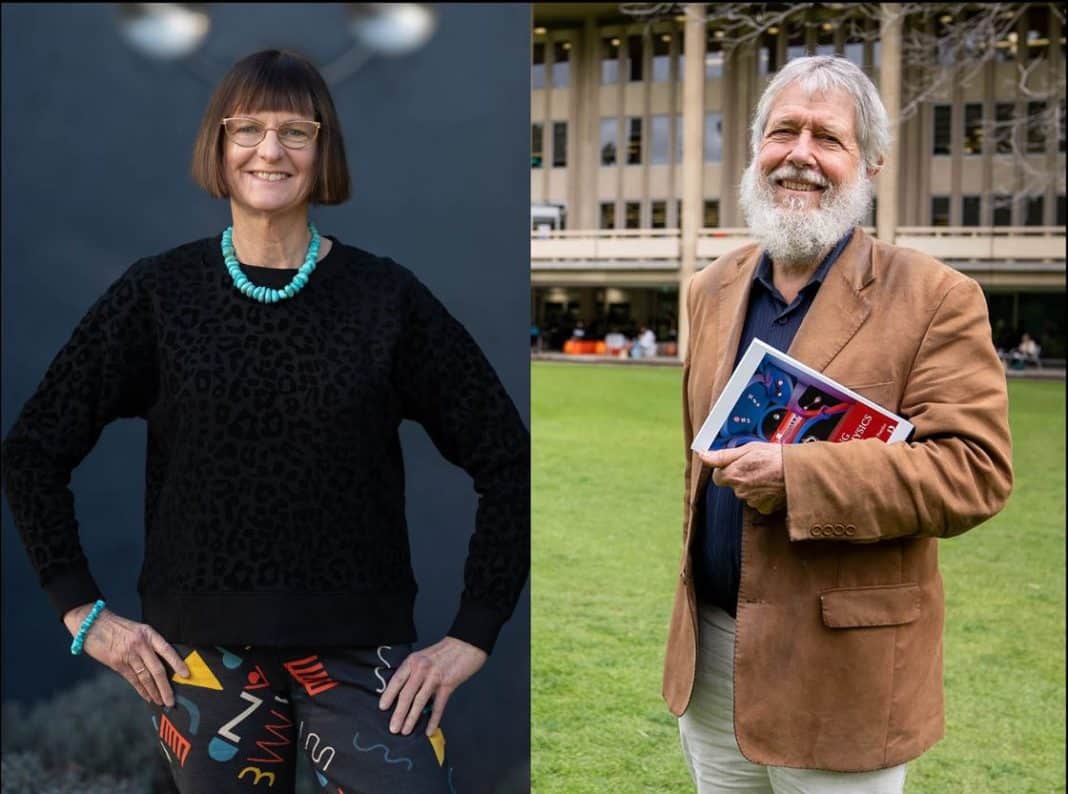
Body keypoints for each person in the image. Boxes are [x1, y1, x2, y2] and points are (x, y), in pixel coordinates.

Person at [0, 49, 529, 793]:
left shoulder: (387, 300)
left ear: (324, 149)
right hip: (203, 666)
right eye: (246, 128)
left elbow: (509, 459)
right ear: (218, 147)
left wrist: (474, 632)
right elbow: (31, 450)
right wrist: (84, 614)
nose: (270, 150)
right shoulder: (161, 295)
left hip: (362, 656)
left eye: (295, 131)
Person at [662, 56, 1012, 793]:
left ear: (871, 163)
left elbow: (975, 473)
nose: (800, 154)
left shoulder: (936, 298)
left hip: (845, 676)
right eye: (783, 130)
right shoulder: (710, 289)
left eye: (827, 137)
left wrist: (798, 475)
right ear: (756, 147)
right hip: (713, 659)